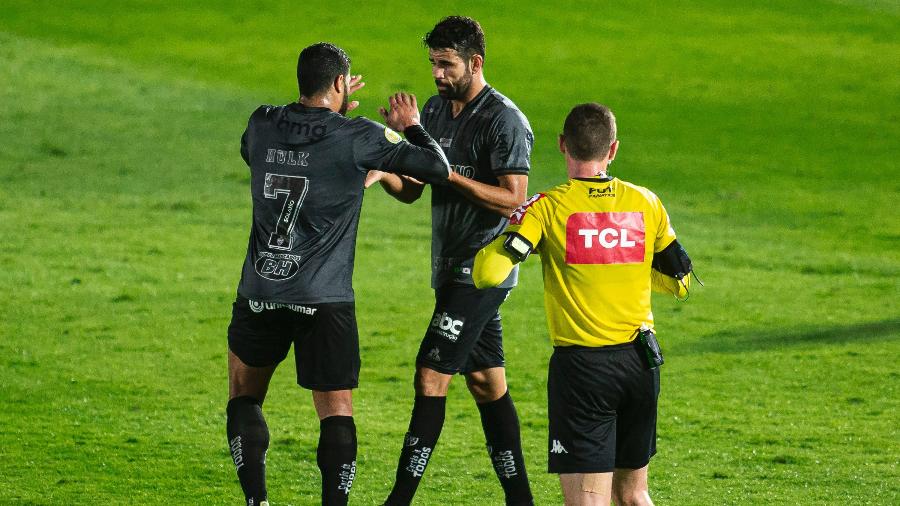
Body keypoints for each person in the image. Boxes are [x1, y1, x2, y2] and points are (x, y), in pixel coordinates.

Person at [225, 42, 450, 506]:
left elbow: (262, 155)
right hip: (324, 299)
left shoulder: (261, 122)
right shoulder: (358, 137)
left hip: (260, 290)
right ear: (339, 84)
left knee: (244, 399)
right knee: (336, 412)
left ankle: (256, 502)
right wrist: (410, 127)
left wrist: (332, 120)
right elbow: (436, 170)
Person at [473, 103, 695, 506]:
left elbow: (488, 274)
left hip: (584, 372)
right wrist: (621, 264)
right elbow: (680, 283)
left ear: (562, 145)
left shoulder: (548, 207)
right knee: (634, 495)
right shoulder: (647, 202)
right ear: (612, 150)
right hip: (641, 364)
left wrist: (501, 240)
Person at [367, 16, 535, 506]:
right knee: (486, 383)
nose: (437, 74)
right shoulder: (437, 112)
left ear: (475, 63)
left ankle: (398, 500)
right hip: (448, 267)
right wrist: (385, 166)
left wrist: (436, 162)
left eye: (447, 64)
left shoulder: (505, 120)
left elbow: (512, 200)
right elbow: (415, 191)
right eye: (433, 63)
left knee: (429, 375)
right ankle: (520, 500)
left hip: (483, 270)